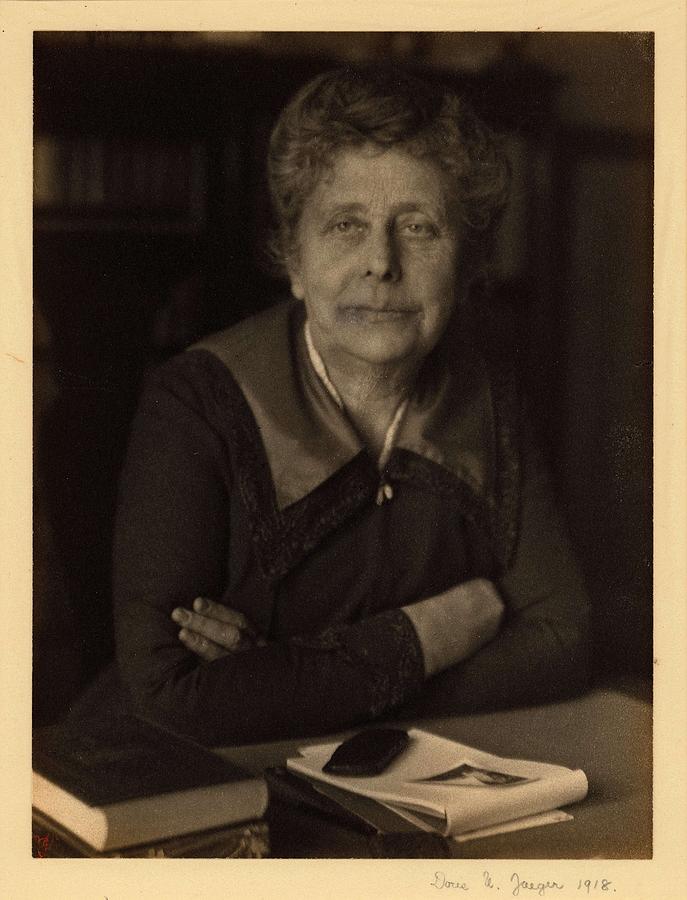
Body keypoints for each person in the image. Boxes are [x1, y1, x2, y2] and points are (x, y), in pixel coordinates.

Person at [113, 67, 590, 746]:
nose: (382, 262)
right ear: (294, 261)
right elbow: (171, 698)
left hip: (415, 787)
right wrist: (428, 636)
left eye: (419, 228)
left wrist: (280, 679)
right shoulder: (195, 401)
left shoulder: (490, 394)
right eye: (345, 225)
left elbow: (562, 640)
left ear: (465, 263)